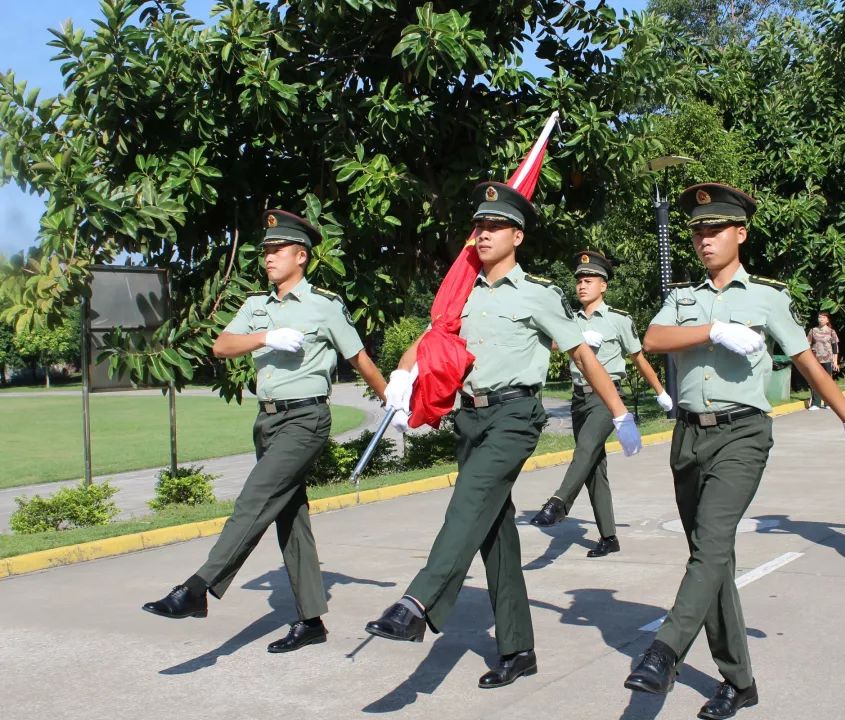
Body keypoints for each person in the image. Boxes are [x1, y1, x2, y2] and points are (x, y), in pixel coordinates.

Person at [364, 182, 642, 689]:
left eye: (494, 226)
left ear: (516, 235)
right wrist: (402, 379)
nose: (483, 233)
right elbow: (429, 342)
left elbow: (581, 354)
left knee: (468, 502)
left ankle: (416, 603)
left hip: (516, 416)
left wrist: (620, 413)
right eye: (478, 225)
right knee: (494, 534)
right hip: (469, 417)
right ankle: (518, 650)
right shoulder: (460, 293)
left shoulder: (537, 295)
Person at [622, 183, 845, 720]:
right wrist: (712, 329)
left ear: (740, 233)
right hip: (689, 436)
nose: (704, 240)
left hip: (742, 434)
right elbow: (652, 338)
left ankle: (663, 652)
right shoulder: (684, 298)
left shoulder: (767, 297)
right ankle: (739, 682)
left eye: (715, 230)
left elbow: (805, 360)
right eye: (697, 231)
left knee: (710, 544)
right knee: (711, 559)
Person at [142, 209, 389, 653]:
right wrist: (264, 338)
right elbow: (221, 345)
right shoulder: (257, 306)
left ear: (302, 256)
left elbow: (359, 359)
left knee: (255, 496)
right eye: (266, 251)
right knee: (289, 519)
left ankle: (198, 589)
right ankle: (311, 621)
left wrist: (393, 399)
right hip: (268, 421)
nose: (269, 257)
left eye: (278, 251)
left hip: (306, 419)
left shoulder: (325, 305)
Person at [530, 250, 672, 558]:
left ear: (603, 286)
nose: (582, 285)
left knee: (584, 450)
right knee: (594, 467)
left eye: (589, 280)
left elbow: (639, 359)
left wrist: (660, 392)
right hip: (579, 398)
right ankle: (609, 537)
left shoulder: (618, 320)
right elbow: (556, 344)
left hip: (607, 399)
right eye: (579, 280)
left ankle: (558, 503)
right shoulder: (568, 319)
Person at [806, 311, 839, 409]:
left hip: (828, 359)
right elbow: (807, 345)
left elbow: (835, 347)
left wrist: (835, 361)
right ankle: (816, 403)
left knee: (827, 381)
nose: (821, 319)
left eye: (823, 317)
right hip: (816, 360)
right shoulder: (813, 331)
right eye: (819, 317)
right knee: (816, 381)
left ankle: (828, 403)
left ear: (827, 319)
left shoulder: (831, 331)